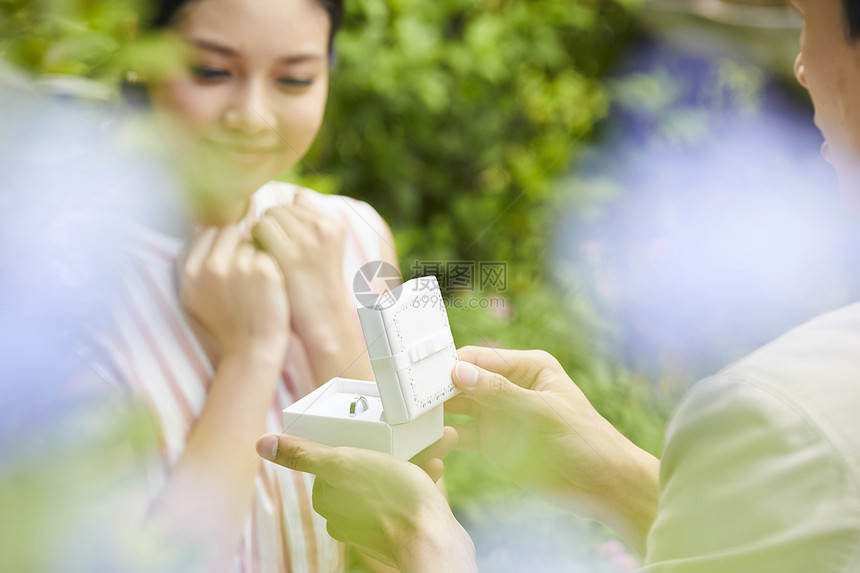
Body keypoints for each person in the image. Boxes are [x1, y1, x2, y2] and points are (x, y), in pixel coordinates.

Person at [256, 0, 860, 571]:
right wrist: (617, 478)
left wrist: (423, 536)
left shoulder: (778, 414)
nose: (800, 63)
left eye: (808, 20)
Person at [85, 0, 401, 571]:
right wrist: (250, 357)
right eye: (212, 72)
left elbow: (414, 530)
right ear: (142, 54)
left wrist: (329, 322)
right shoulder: (57, 287)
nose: (252, 115)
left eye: (295, 79)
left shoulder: (357, 236)